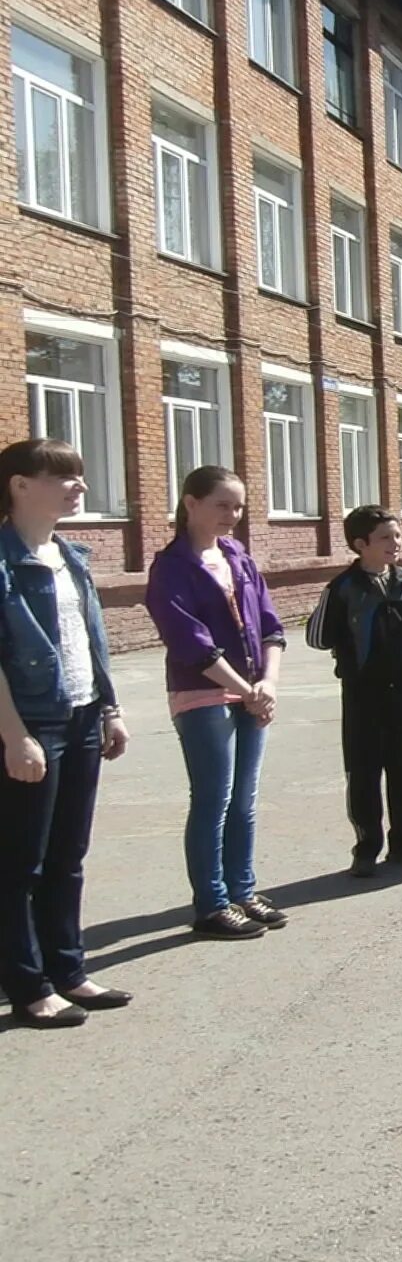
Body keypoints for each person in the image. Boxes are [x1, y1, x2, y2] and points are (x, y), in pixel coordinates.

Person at [0, 439, 130, 1026]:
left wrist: (108, 709)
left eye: (80, 475)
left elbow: (90, 643)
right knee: (20, 862)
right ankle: (28, 987)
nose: (79, 485)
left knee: (67, 857)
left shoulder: (70, 556)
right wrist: (14, 737)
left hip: (80, 718)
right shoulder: (3, 560)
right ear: (21, 485)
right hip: (31, 724)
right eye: (64, 477)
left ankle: (69, 970)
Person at [146, 465, 289, 938]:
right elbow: (190, 642)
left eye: (239, 505)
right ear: (191, 504)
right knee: (213, 799)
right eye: (222, 505)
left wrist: (267, 683)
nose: (233, 515)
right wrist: (247, 691)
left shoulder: (237, 557)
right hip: (203, 691)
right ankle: (211, 903)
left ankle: (242, 890)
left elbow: (270, 625)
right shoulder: (171, 566)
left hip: (252, 691)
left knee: (244, 801)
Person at [304, 505, 402, 877]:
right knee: (364, 770)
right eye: (385, 538)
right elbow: (317, 636)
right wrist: (348, 653)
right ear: (360, 544)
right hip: (362, 691)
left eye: (397, 536)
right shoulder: (343, 588)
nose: (394, 543)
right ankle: (367, 847)